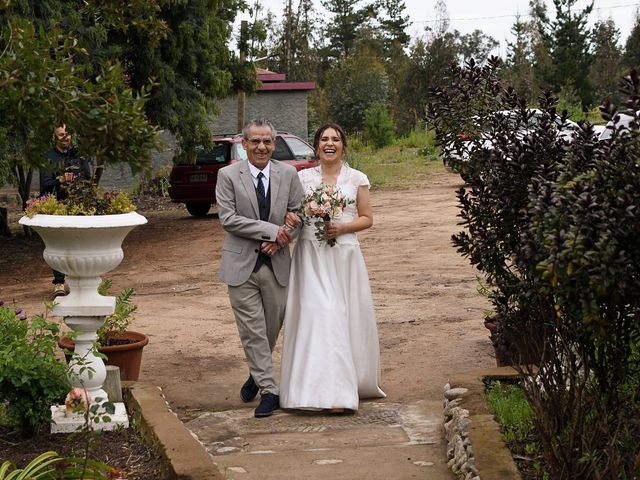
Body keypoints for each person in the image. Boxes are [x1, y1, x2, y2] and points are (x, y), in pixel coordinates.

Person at [280, 123, 386, 412]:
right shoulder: (301, 178)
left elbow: (367, 218)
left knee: (346, 316)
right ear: (316, 146)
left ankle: (345, 385)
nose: (330, 143)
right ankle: (316, 390)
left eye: (335, 139)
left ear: (343, 145)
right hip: (310, 256)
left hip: (344, 255)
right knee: (320, 314)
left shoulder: (357, 178)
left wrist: (341, 228)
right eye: (324, 139)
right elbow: (291, 213)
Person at [215, 118, 304, 418]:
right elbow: (228, 219)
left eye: (267, 141)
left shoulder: (289, 174)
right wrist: (271, 231)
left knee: (271, 328)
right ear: (244, 144)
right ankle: (269, 390)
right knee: (252, 331)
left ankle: (257, 372)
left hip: (278, 264)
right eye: (255, 141)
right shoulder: (227, 175)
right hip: (241, 266)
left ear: (274, 144)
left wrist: (282, 239)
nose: (261, 147)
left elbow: (299, 215)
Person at [41, 124, 92, 298]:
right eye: (62, 135)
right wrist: (60, 179)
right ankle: (59, 282)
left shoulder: (79, 155)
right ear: (55, 137)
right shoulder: (48, 157)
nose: (66, 138)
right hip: (57, 207)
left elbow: (89, 178)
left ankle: (83, 280)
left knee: (81, 243)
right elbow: (45, 183)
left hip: (78, 204)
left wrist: (78, 181)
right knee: (58, 244)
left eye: (68, 134)